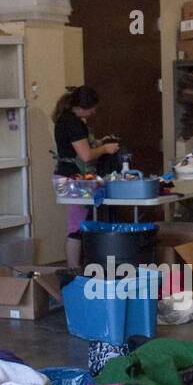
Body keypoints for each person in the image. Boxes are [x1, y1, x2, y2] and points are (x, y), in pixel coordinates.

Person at [54, 85, 119, 267]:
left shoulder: (66, 119)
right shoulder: (73, 123)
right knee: (76, 228)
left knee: (79, 224)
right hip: (72, 179)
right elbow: (86, 155)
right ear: (84, 107)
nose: (94, 112)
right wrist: (105, 148)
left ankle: (77, 269)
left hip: (65, 176)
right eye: (92, 108)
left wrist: (99, 142)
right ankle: (74, 271)